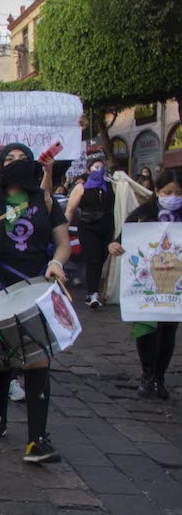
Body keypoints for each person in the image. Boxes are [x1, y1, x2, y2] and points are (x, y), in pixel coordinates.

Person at [0, 147, 71, 465]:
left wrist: (57, 263)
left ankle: (37, 440)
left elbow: (63, 242)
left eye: (22, 158)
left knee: (38, 359)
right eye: (9, 159)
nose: (16, 164)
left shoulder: (45, 201)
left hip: (37, 286)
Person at [109, 169, 182, 399]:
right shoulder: (142, 215)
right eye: (167, 192)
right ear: (157, 192)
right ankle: (147, 374)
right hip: (146, 285)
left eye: (178, 193)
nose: (172, 196)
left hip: (174, 287)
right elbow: (120, 240)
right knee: (145, 329)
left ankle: (159, 377)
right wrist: (114, 247)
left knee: (168, 331)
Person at [65, 157, 115, 308]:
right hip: (88, 227)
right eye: (95, 167)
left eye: (102, 167)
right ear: (88, 170)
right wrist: (62, 231)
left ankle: (98, 289)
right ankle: (92, 293)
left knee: (101, 258)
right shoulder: (81, 188)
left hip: (106, 227)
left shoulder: (110, 186)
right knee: (92, 258)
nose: (99, 170)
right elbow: (70, 211)